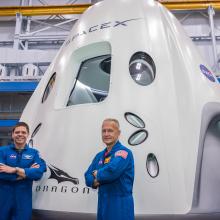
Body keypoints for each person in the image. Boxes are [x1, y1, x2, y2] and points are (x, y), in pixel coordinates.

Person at [85, 118, 134, 220]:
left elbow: (112, 172)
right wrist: (94, 182)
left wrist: (97, 173)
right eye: (104, 131)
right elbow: (87, 175)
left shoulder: (124, 153)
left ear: (118, 133)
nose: (106, 134)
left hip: (119, 207)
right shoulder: (99, 156)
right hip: (102, 206)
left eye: (110, 130)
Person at [0, 122, 46, 220]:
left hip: (23, 200)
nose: (20, 134)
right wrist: (26, 174)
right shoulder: (2, 151)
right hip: (3, 199)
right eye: (17, 132)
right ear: (12, 134)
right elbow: (2, 174)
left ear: (27, 134)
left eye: (23, 132)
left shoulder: (34, 153)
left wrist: (14, 170)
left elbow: (38, 174)